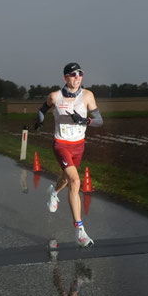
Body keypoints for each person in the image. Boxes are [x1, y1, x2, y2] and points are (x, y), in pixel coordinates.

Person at [34, 62, 103, 248]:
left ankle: (53, 192)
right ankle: (79, 231)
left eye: (80, 73)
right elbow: (42, 110)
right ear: (65, 77)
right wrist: (39, 121)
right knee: (75, 181)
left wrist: (86, 120)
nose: (77, 77)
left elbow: (99, 120)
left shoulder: (88, 96)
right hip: (61, 144)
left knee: (65, 178)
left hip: (79, 146)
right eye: (73, 74)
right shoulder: (55, 96)